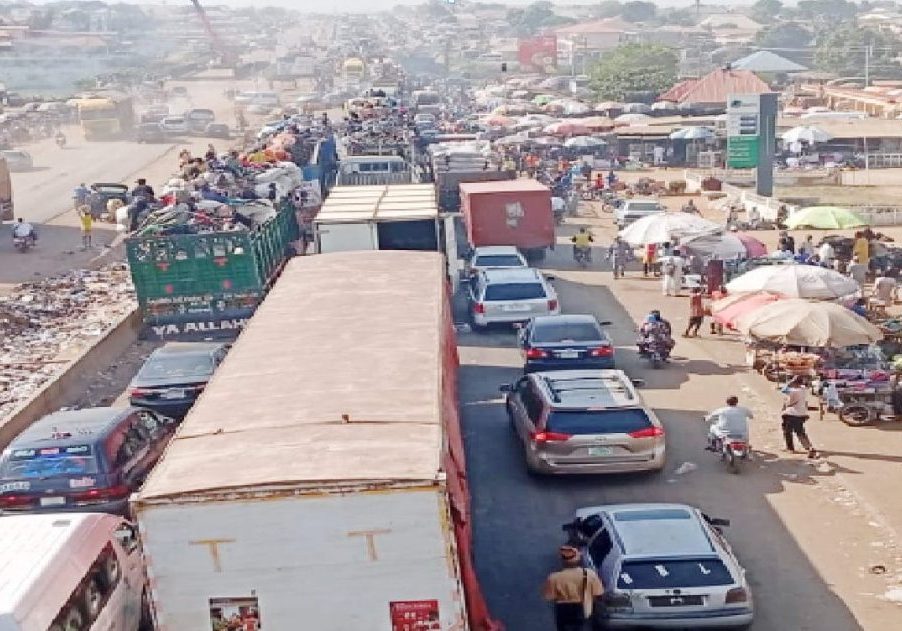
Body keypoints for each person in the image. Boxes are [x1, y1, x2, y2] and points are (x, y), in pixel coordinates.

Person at [542, 545, 604, 631]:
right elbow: (599, 594)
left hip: (563, 611)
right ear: (578, 559)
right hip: (583, 608)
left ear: (562, 561)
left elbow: (549, 597)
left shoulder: (554, 578)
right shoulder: (590, 574)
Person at [781, 376, 817, 458]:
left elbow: (784, 391)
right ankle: (809, 447)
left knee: (787, 431)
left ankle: (790, 448)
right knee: (800, 432)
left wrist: (789, 383)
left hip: (791, 414)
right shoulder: (803, 389)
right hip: (801, 414)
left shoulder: (794, 391)